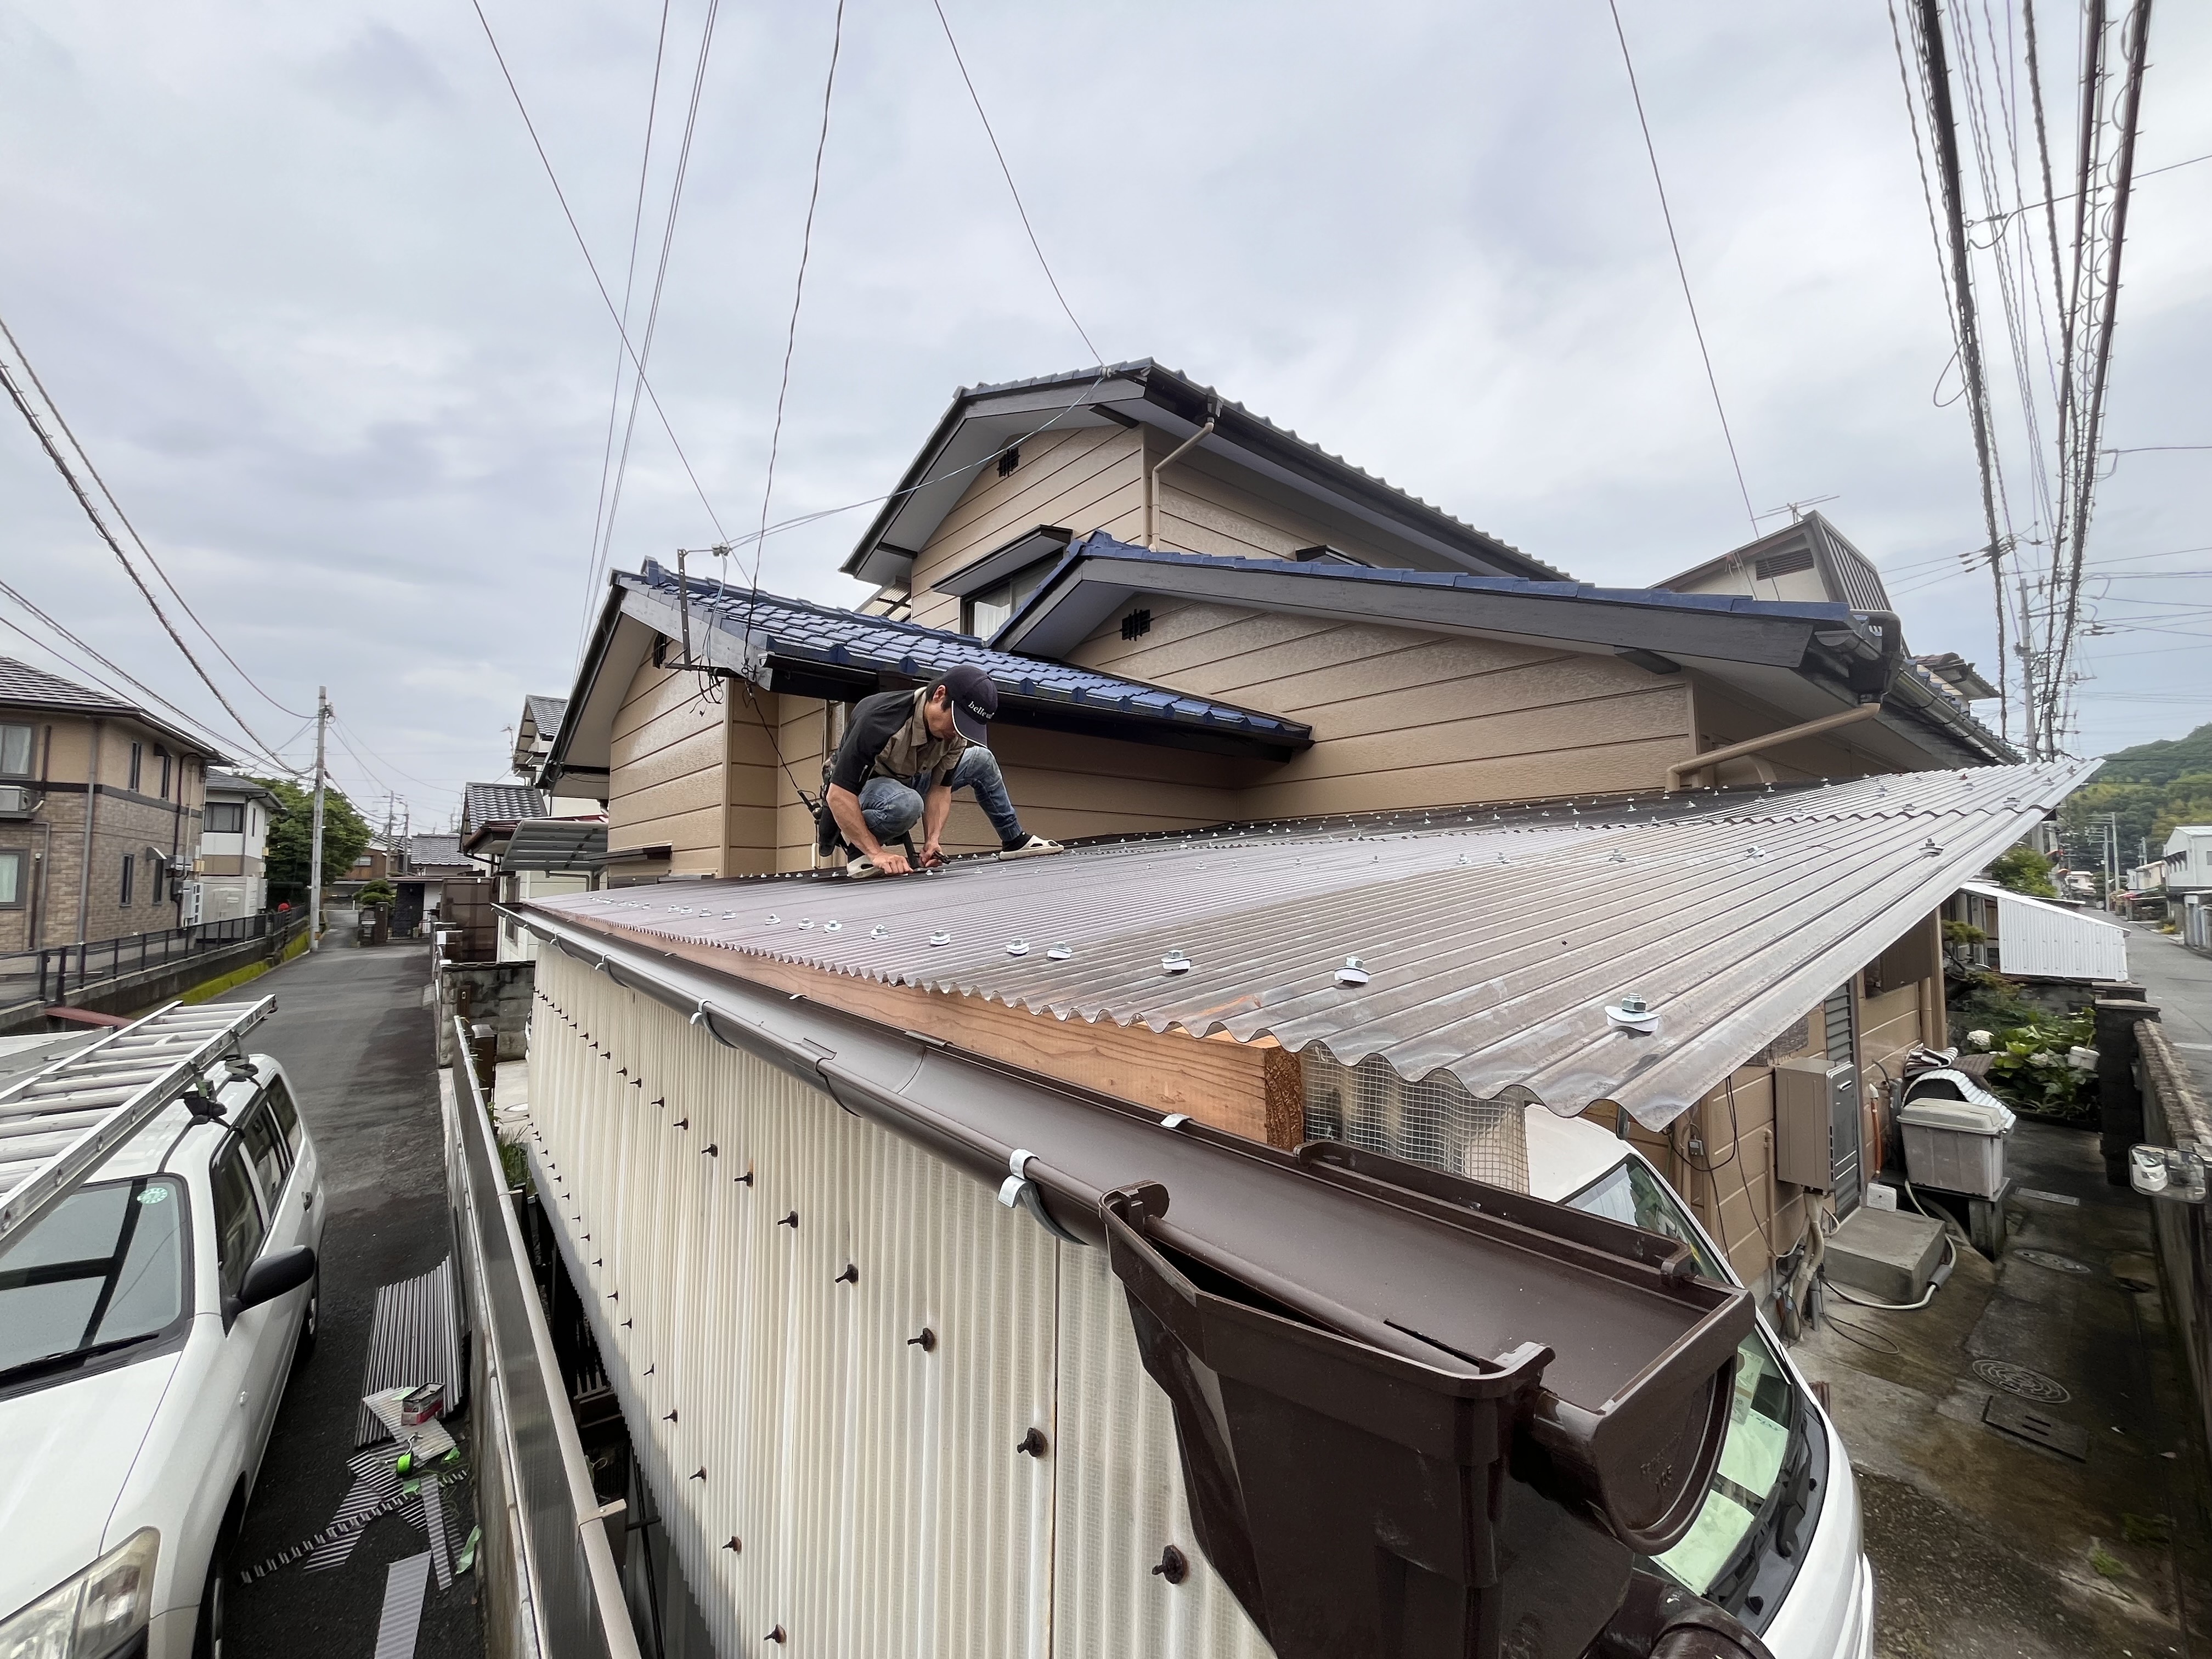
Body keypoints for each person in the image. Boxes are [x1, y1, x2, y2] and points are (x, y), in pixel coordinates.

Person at [816, 665, 1063, 878]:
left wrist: (932, 841)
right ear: (939, 695)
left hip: (909, 779)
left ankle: (1014, 840)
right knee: (908, 803)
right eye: (957, 722)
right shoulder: (879, 720)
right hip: (860, 788)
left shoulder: (955, 735)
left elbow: (940, 788)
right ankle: (860, 851)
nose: (958, 732)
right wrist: (877, 853)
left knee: (982, 759)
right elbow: (839, 795)